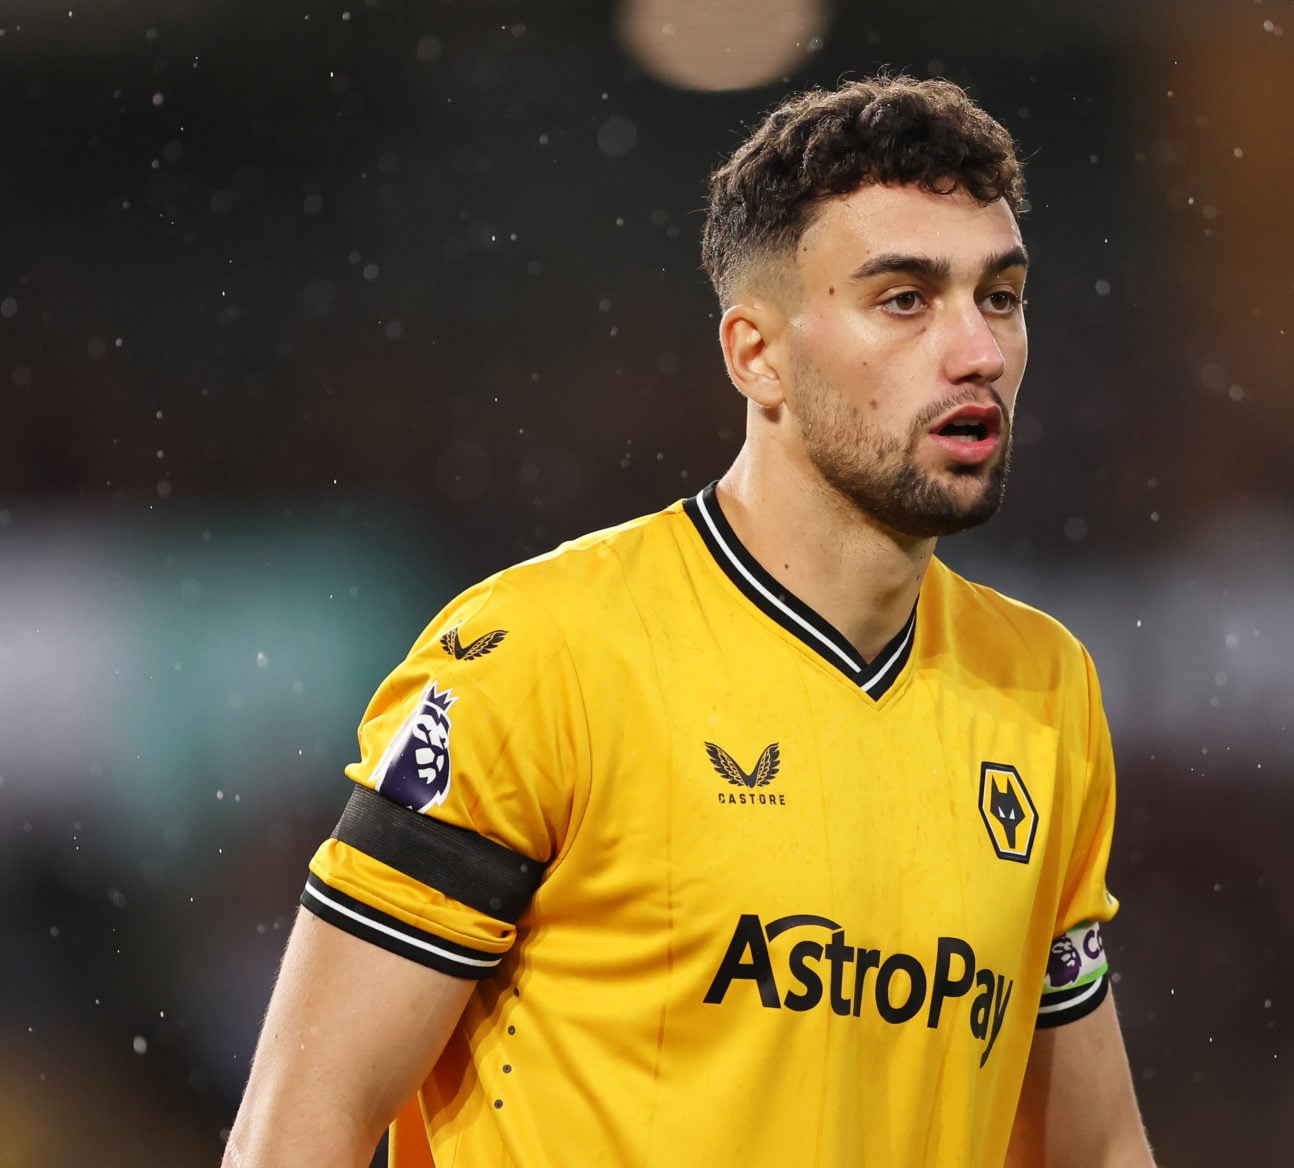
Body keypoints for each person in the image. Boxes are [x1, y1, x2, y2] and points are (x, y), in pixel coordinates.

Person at [222, 73, 1155, 1168]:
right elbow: (300, 1122)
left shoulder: (1041, 687)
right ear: (757, 354)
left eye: (1000, 296)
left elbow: (1093, 1146)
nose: (980, 352)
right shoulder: (543, 655)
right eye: (905, 299)